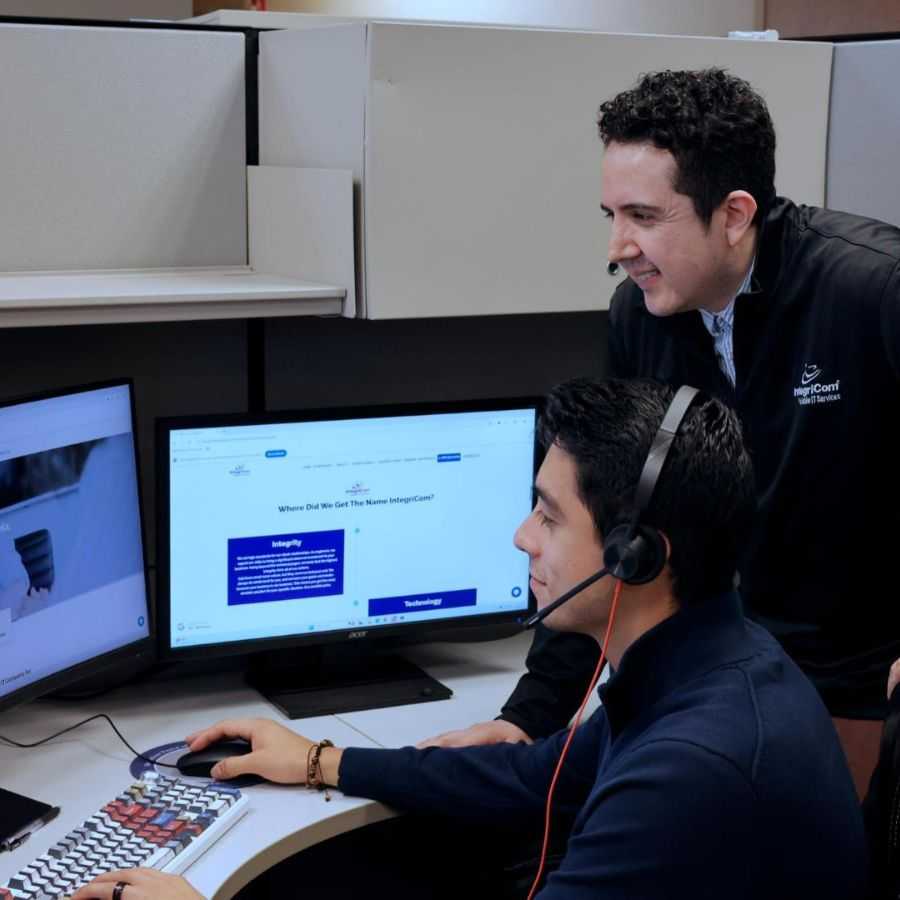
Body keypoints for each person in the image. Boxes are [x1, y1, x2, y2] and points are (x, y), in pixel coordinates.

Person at [73, 378, 868, 899]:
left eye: (549, 516)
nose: (522, 537)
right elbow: (535, 776)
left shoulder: (693, 768)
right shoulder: (708, 664)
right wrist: (321, 760)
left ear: (638, 555)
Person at [425, 68, 900, 797]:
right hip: (703, 677)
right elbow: (604, 525)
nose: (618, 246)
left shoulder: (871, 290)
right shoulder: (639, 318)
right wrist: (529, 717)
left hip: (850, 687)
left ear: (735, 213)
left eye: (644, 217)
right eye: (611, 215)